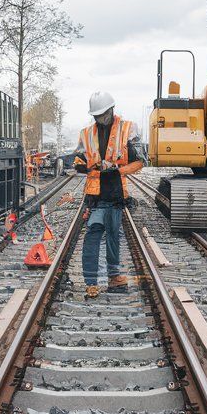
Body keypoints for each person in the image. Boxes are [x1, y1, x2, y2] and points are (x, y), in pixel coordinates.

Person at [73, 90, 144, 298]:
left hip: (115, 193)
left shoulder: (128, 129)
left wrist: (115, 169)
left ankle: (114, 278)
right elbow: (77, 162)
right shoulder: (86, 134)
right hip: (95, 196)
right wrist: (88, 165)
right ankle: (91, 281)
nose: (99, 119)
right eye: (96, 116)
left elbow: (140, 161)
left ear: (111, 110)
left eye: (102, 114)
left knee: (114, 235)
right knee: (93, 232)